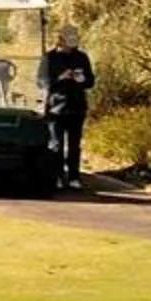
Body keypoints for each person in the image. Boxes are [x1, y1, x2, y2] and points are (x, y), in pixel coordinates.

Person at [42, 24, 96, 188]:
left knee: (75, 144)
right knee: (56, 144)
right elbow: (42, 81)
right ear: (61, 40)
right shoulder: (49, 58)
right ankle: (57, 175)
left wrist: (81, 80)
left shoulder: (81, 57)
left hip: (77, 105)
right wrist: (60, 78)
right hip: (56, 107)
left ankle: (74, 177)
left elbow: (90, 81)